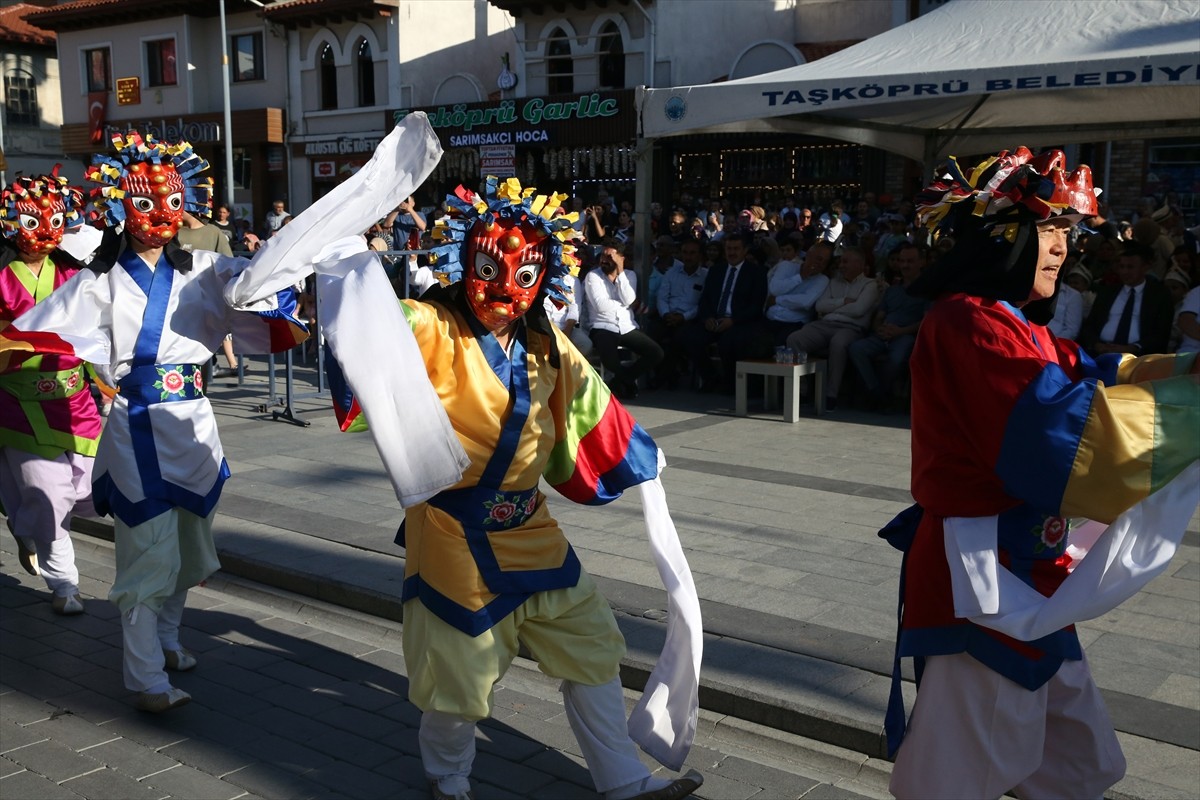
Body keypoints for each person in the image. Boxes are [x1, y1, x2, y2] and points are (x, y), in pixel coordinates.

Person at [0, 121, 426, 712]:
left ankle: (169, 639)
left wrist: (282, 267)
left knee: (190, 550)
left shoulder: (205, 269)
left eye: (173, 200)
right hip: (136, 426)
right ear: (122, 205)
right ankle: (145, 675)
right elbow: (31, 335)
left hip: (195, 423)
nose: (161, 212)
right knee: (148, 552)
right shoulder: (98, 283)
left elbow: (257, 293)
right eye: (146, 201)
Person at [315, 176, 703, 800]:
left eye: (525, 274)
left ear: (546, 274)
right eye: (490, 266)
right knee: (459, 674)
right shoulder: (432, 326)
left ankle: (623, 779)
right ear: (464, 258)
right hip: (453, 533)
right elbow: (371, 331)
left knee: (592, 643)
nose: (504, 288)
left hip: (531, 528)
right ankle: (449, 778)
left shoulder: (548, 345)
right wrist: (339, 266)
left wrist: (640, 459)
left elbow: (592, 410)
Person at [883, 147, 1199, 799]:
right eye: (1052, 229)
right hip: (985, 583)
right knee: (957, 780)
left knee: (1075, 765)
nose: (1065, 246)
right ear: (1005, 235)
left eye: (1065, 232)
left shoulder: (1009, 323)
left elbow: (1095, 370)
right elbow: (1059, 437)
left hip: (1027, 573)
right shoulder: (968, 319)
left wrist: (1184, 372)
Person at [0, 170, 101, 615]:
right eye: (31, 220)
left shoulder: (77, 274)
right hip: (18, 402)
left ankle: (28, 528)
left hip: (76, 399)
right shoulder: (1, 275)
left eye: (54, 219)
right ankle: (65, 585)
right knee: (46, 490)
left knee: (87, 490)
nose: (42, 230)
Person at [785, 247, 879, 410]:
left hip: (851, 328)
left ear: (859, 264)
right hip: (824, 325)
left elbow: (859, 310)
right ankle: (802, 390)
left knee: (838, 342)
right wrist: (843, 301)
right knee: (795, 338)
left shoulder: (870, 285)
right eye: (841, 262)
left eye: (845, 262)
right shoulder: (833, 282)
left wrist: (832, 307)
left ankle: (831, 394)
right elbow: (819, 306)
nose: (841, 265)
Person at [678, 232, 769, 392]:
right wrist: (707, 318)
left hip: (739, 322)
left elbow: (756, 306)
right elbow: (705, 299)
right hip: (715, 320)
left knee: (728, 342)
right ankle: (710, 378)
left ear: (745, 250)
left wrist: (733, 320)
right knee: (689, 336)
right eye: (729, 249)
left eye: (736, 249)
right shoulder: (716, 271)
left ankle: (732, 384)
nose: (732, 253)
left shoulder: (756, 273)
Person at [847, 242, 929, 412]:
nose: (905, 265)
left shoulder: (928, 291)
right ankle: (877, 393)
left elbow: (927, 321)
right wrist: (879, 328)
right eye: (902, 261)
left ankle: (879, 394)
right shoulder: (892, 290)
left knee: (897, 358)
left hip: (907, 335)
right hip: (883, 334)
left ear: (921, 262)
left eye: (910, 261)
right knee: (856, 348)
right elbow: (879, 316)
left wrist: (901, 331)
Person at [584, 241, 664, 400]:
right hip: (602, 326)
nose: (604, 260)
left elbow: (628, 299)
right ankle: (627, 384)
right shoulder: (593, 276)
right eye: (603, 256)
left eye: (610, 256)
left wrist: (620, 272)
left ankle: (614, 384)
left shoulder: (629, 275)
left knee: (656, 353)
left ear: (621, 258)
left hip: (626, 326)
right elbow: (601, 306)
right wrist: (621, 304)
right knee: (611, 361)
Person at [1077, 241, 1174, 356]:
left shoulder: (1159, 295)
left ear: (1145, 268)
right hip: (1101, 352)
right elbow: (1090, 325)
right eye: (1122, 267)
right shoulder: (1107, 292)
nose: (1124, 272)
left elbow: (1161, 333)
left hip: (1140, 356)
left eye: (1130, 267)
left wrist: (1133, 348)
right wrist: (1096, 344)